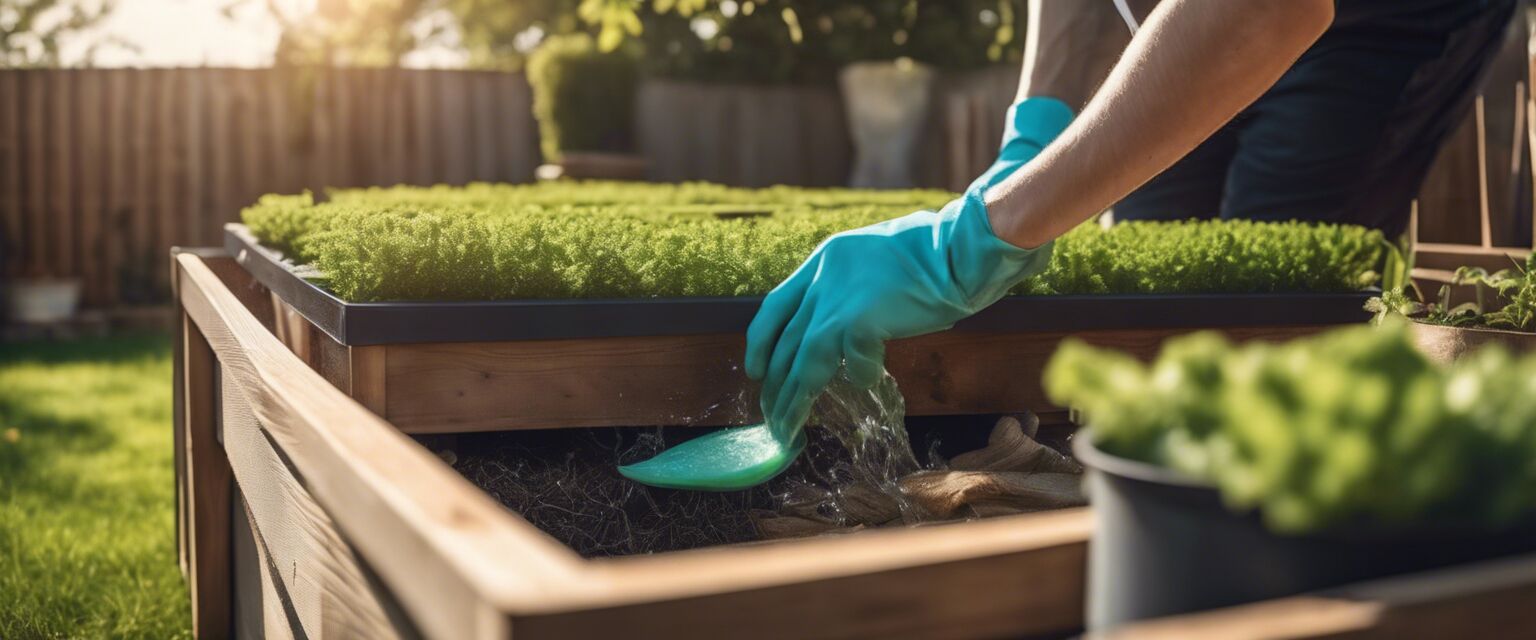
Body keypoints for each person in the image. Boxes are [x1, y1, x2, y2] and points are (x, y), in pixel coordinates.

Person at [746, 0, 1517, 438]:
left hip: (1383, 18)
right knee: (1156, 279)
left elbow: (1268, 9)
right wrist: (1031, 139)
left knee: (1270, 291)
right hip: (1183, 14)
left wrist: (968, 241)